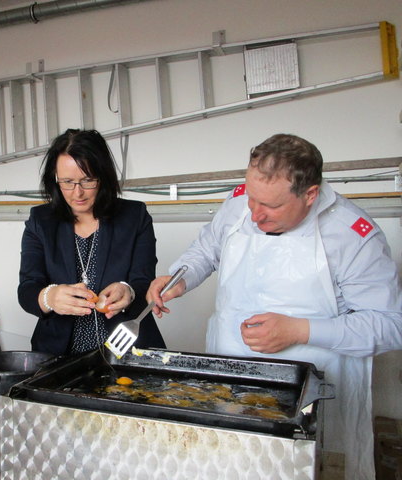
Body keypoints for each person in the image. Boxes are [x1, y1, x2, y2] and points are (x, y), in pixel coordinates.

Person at [147, 133, 402, 480]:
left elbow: (389, 325)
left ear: (310, 194)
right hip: (230, 384)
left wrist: (300, 330)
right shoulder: (241, 204)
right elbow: (207, 249)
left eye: (271, 206)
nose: (254, 216)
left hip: (311, 403)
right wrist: (180, 277)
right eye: (252, 199)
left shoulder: (352, 235)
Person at [18, 128, 165, 356]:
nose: (78, 193)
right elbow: (27, 289)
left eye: (87, 180)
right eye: (67, 182)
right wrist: (50, 297)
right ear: (55, 179)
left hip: (127, 350)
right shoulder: (41, 221)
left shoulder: (134, 216)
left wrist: (128, 291)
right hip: (58, 354)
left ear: (103, 177)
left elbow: (143, 279)